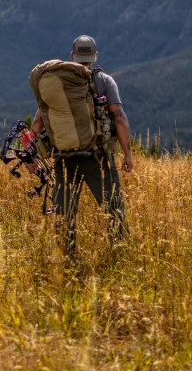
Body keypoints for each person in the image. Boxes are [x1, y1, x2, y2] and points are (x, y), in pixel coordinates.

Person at [30, 35, 134, 256]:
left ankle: (67, 259)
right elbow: (119, 117)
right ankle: (120, 255)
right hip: (97, 158)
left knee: (64, 214)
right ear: (95, 56)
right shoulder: (104, 81)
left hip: (64, 158)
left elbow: (39, 121)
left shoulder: (59, 83)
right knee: (114, 210)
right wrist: (127, 154)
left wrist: (30, 153)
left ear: (72, 56)